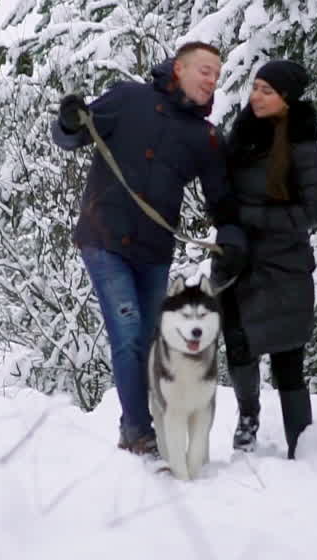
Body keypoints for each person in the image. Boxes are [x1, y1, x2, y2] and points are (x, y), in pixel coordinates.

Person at [51, 41, 247, 456]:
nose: (213, 80)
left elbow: (222, 199)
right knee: (127, 332)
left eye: (217, 74)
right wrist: (68, 122)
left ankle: (146, 425)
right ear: (179, 69)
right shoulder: (128, 99)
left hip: (154, 252)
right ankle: (138, 432)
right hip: (104, 239)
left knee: (150, 338)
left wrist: (231, 235)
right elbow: (73, 137)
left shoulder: (204, 137)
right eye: (205, 70)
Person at [214, 59, 317, 460]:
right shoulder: (241, 135)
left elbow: (313, 211)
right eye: (256, 87)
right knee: (239, 345)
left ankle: (303, 443)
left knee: (287, 356)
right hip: (237, 259)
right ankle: (248, 421)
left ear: (287, 99)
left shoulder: (302, 145)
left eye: (268, 91)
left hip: (284, 265)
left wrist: (251, 216)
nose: (257, 97)